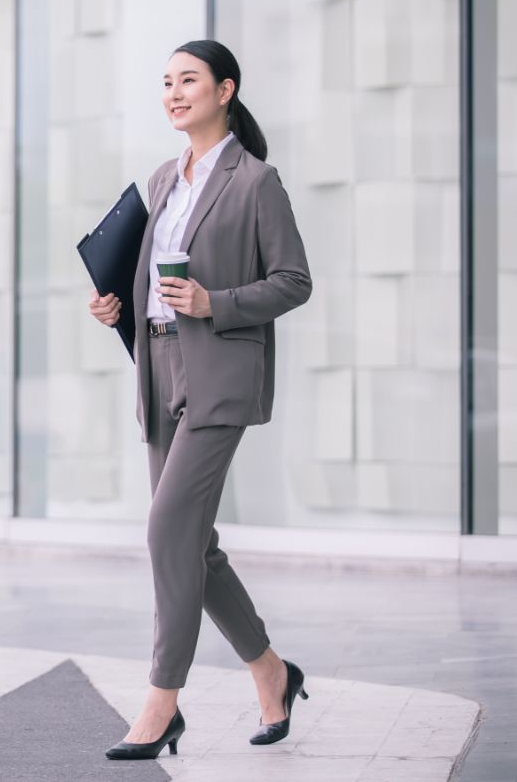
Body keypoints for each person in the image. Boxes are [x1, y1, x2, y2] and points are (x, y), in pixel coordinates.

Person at [88, 39, 313, 760]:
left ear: (225, 90)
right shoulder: (162, 178)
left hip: (220, 370)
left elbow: (293, 281)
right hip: (157, 363)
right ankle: (271, 671)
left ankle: (162, 701)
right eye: (165, 83)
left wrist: (216, 301)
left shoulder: (256, 181)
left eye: (188, 80)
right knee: (193, 543)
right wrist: (115, 302)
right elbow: (150, 276)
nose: (173, 93)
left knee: (165, 532)